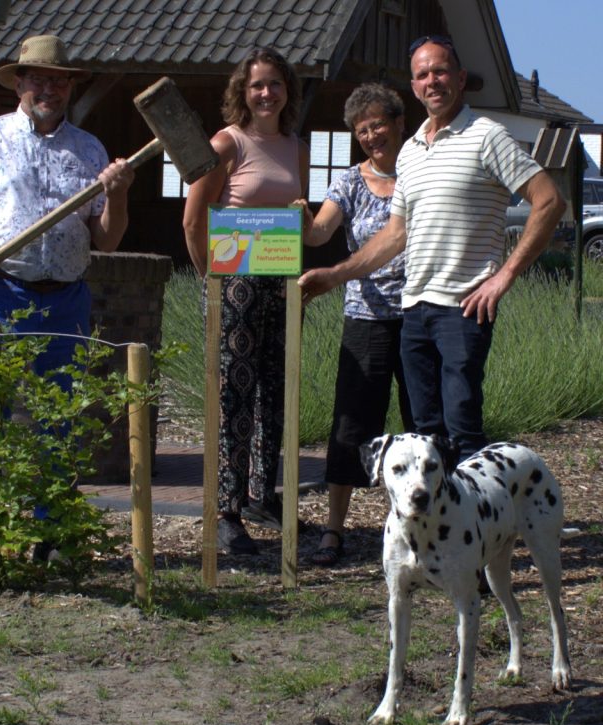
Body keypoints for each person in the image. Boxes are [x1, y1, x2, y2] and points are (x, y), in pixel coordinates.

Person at [298, 34, 564, 462]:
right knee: (427, 434)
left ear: (458, 78)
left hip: (462, 309)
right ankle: (441, 527)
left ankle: (477, 527)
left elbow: (549, 200)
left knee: (462, 428)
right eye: (422, 74)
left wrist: (504, 277)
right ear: (415, 86)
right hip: (414, 309)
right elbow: (394, 235)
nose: (432, 80)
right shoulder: (411, 152)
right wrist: (335, 275)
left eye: (440, 71)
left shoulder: (487, 136)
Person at [0, 34, 134, 553]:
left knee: (59, 419)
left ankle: (47, 533)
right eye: (39, 78)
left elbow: (107, 238)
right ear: (19, 82)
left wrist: (117, 194)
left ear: (70, 86)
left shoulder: (88, 149)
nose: (50, 87)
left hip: (65, 299)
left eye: (59, 79)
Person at [182, 48, 309, 555]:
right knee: (232, 398)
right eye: (257, 85)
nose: (266, 94)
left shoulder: (296, 147)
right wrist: (209, 281)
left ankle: (262, 495)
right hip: (233, 284)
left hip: (281, 279)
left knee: (273, 394)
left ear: (286, 91)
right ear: (243, 90)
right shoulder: (226, 143)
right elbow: (195, 219)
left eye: (275, 84)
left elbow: (296, 215)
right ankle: (226, 510)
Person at [296, 83, 416, 567]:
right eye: (361, 130)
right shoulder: (348, 182)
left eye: (378, 125)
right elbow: (320, 232)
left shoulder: (419, 170)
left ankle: (421, 527)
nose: (371, 136)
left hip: (419, 314)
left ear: (398, 123)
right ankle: (333, 529)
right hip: (365, 318)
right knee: (350, 423)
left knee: (421, 423)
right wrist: (295, 215)